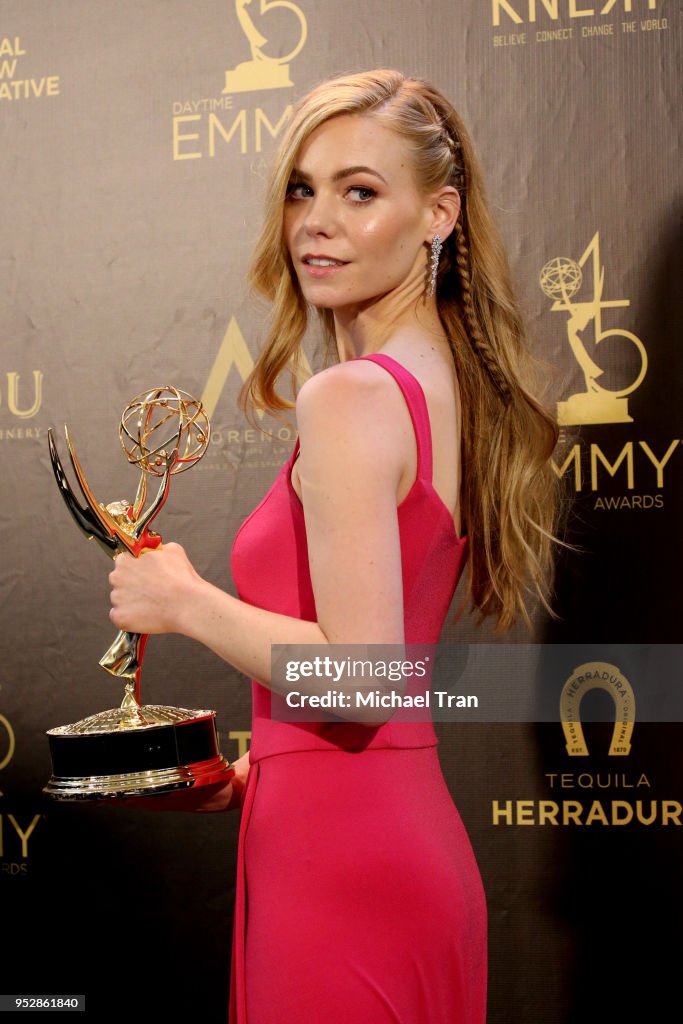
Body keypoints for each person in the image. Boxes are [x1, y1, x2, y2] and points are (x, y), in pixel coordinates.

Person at [108, 69, 563, 1024]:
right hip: (372, 837)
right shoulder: (449, 384)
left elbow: (363, 680)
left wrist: (182, 600)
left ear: (439, 213)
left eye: (360, 191)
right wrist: (257, 771)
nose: (317, 220)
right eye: (301, 190)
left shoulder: (351, 397)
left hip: (342, 873)